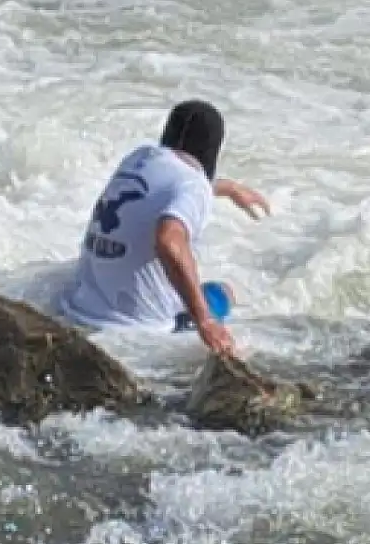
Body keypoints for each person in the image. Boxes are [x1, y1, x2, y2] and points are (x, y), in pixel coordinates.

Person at [56, 100, 270, 356]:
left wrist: (229, 188)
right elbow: (168, 240)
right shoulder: (193, 186)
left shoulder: (139, 158)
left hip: (80, 308)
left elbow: (164, 189)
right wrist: (204, 320)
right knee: (224, 292)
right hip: (138, 329)